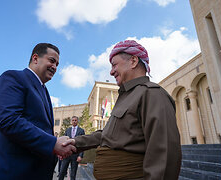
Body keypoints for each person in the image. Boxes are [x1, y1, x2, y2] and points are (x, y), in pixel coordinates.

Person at [62, 40, 182, 180]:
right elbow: (106, 135)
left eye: (114, 65)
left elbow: (165, 154)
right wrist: (75, 142)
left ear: (133, 61)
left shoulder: (152, 94)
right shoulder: (126, 97)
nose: (111, 71)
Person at [0, 43, 76, 180]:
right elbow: (9, 121)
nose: (55, 67)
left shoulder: (44, 91)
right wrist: (52, 143)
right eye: (51, 61)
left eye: (57, 64)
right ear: (35, 58)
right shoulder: (14, 78)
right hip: (10, 172)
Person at [58, 116, 85, 180]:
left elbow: (83, 144)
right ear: (71, 121)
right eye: (73, 120)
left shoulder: (81, 130)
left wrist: (80, 156)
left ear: (77, 121)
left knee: (73, 174)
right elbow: (64, 141)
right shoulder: (68, 130)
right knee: (62, 172)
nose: (74, 121)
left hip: (75, 155)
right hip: (67, 154)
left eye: (75, 120)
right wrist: (62, 153)